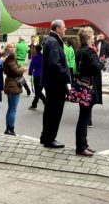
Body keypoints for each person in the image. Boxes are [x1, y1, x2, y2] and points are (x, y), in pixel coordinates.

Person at [40, 19, 70, 149]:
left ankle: (45, 137)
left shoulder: (51, 40)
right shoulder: (53, 42)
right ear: (57, 28)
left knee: (49, 111)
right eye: (64, 27)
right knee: (55, 112)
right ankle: (50, 139)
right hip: (56, 84)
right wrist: (65, 76)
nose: (65, 29)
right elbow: (55, 64)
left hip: (52, 82)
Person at [74, 27, 102, 157]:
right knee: (84, 118)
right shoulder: (90, 52)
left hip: (82, 85)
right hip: (88, 87)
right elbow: (96, 68)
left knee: (84, 117)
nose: (94, 38)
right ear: (88, 38)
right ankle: (81, 147)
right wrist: (101, 62)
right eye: (92, 36)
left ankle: (84, 143)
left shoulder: (80, 50)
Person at [2, 41, 25, 136]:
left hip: (10, 82)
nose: (12, 48)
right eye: (10, 47)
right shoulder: (10, 57)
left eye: (13, 47)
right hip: (13, 84)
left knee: (10, 108)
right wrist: (23, 69)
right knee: (13, 109)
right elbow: (16, 71)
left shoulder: (6, 57)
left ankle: (8, 128)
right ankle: (10, 129)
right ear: (6, 48)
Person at [28, 43, 45, 110]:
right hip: (43, 75)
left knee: (38, 91)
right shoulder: (43, 56)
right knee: (39, 91)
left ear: (36, 49)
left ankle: (45, 101)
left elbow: (32, 65)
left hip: (37, 75)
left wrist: (30, 72)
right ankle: (34, 104)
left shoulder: (35, 56)